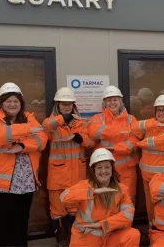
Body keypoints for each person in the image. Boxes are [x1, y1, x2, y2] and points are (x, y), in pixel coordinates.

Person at [0, 82, 48, 247]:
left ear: (21, 103)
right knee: (0, 226)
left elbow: (41, 139)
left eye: (16, 101)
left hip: (24, 183)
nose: (12, 104)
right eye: (8, 101)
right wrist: (27, 130)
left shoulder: (29, 118)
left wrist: (23, 146)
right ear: (1, 103)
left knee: (21, 223)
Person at [42, 87, 93, 246]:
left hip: (77, 177)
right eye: (63, 104)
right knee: (57, 212)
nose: (67, 107)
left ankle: (74, 241)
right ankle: (62, 241)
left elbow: (92, 142)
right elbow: (46, 127)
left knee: (75, 210)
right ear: (57, 105)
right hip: (58, 177)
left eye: (69, 104)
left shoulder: (80, 122)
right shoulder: (51, 122)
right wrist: (63, 118)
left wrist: (81, 139)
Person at [60, 148, 141, 246]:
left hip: (108, 236)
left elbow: (128, 215)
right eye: (99, 167)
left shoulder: (121, 189)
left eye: (107, 167)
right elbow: (64, 198)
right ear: (93, 170)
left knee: (133, 234)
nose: (103, 171)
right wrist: (92, 192)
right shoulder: (85, 186)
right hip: (86, 238)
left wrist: (102, 224)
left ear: (112, 169)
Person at [131, 94, 164, 225]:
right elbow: (133, 127)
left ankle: (163, 230)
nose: (162, 113)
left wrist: (142, 143)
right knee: (150, 206)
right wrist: (153, 123)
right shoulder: (150, 125)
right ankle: (153, 231)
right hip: (146, 176)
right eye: (159, 110)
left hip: (163, 176)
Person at [88, 86, 139, 202]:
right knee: (107, 200)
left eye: (115, 100)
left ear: (120, 102)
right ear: (104, 103)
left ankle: (125, 220)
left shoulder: (131, 119)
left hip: (127, 170)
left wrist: (117, 148)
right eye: (109, 100)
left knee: (128, 199)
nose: (112, 103)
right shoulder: (97, 118)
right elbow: (93, 132)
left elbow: (135, 141)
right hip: (105, 171)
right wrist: (117, 132)